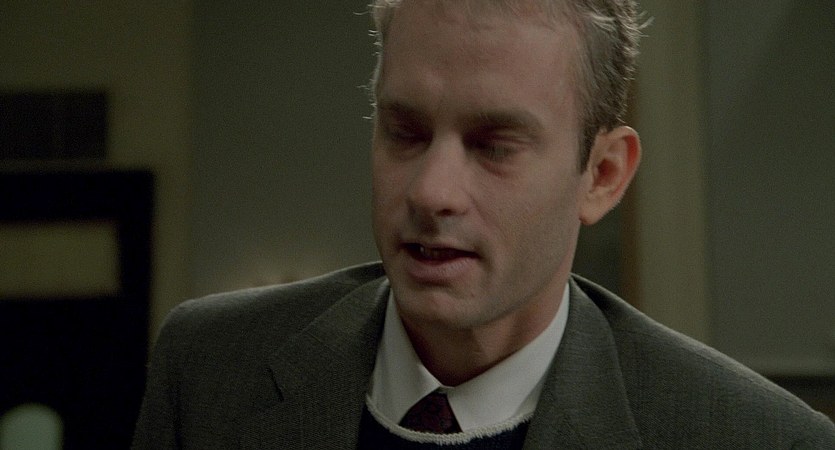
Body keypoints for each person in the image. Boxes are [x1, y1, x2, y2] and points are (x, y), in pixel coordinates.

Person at [132, 0, 835, 448]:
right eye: (405, 132)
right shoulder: (209, 370)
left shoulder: (754, 437)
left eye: (494, 145)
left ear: (602, 175)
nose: (431, 191)